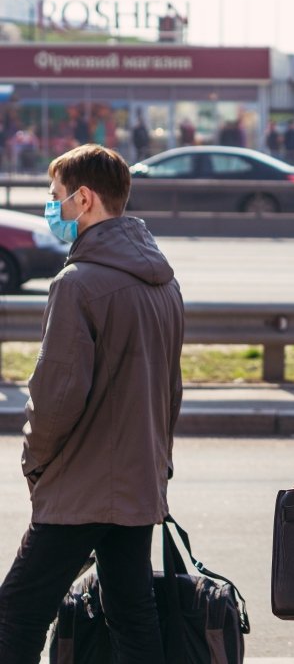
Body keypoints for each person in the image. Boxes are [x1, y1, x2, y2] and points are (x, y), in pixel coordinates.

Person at [0, 144, 184, 661]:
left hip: (81, 484)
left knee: (18, 610)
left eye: (55, 196)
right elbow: (171, 389)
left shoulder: (77, 284)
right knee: (131, 612)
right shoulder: (164, 282)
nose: (50, 207)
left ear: (84, 199)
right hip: (136, 480)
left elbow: (56, 395)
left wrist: (35, 463)